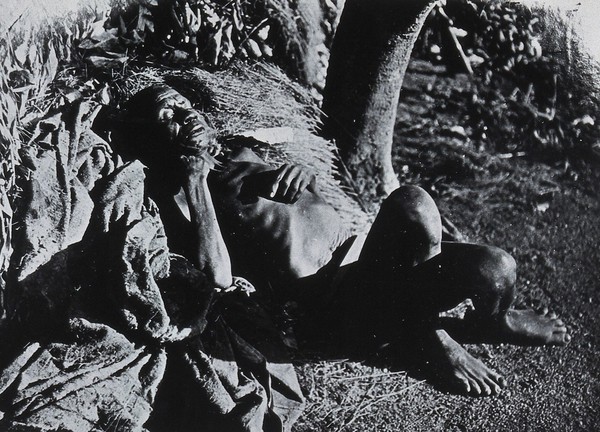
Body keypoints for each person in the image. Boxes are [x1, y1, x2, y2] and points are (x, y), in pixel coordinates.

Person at [109, 84, 570, 397]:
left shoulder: (243, 149)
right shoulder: (182, 193)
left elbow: (304, 200)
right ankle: (429, 334)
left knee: (496, 267)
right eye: (166, 116)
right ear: (157, 142)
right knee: (414, 204)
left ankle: (493, 322)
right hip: (331, 300)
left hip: (365, 254)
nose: (183, 115)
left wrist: (300, 173)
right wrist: (193, 178)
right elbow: (217, 275)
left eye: (182, 104)